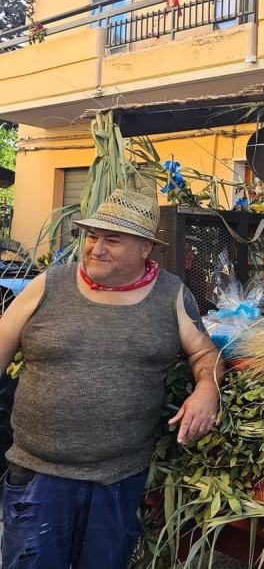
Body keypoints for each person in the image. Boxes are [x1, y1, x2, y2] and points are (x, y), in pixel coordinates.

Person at [0, 189, 223, 568]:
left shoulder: (171, 296)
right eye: (92, 236)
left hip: (118, 481)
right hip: (39, 477)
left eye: (112, 240)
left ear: (145, 249)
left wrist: (208, 388)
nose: (96, 248)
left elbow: (205, 354)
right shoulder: (48, 285)